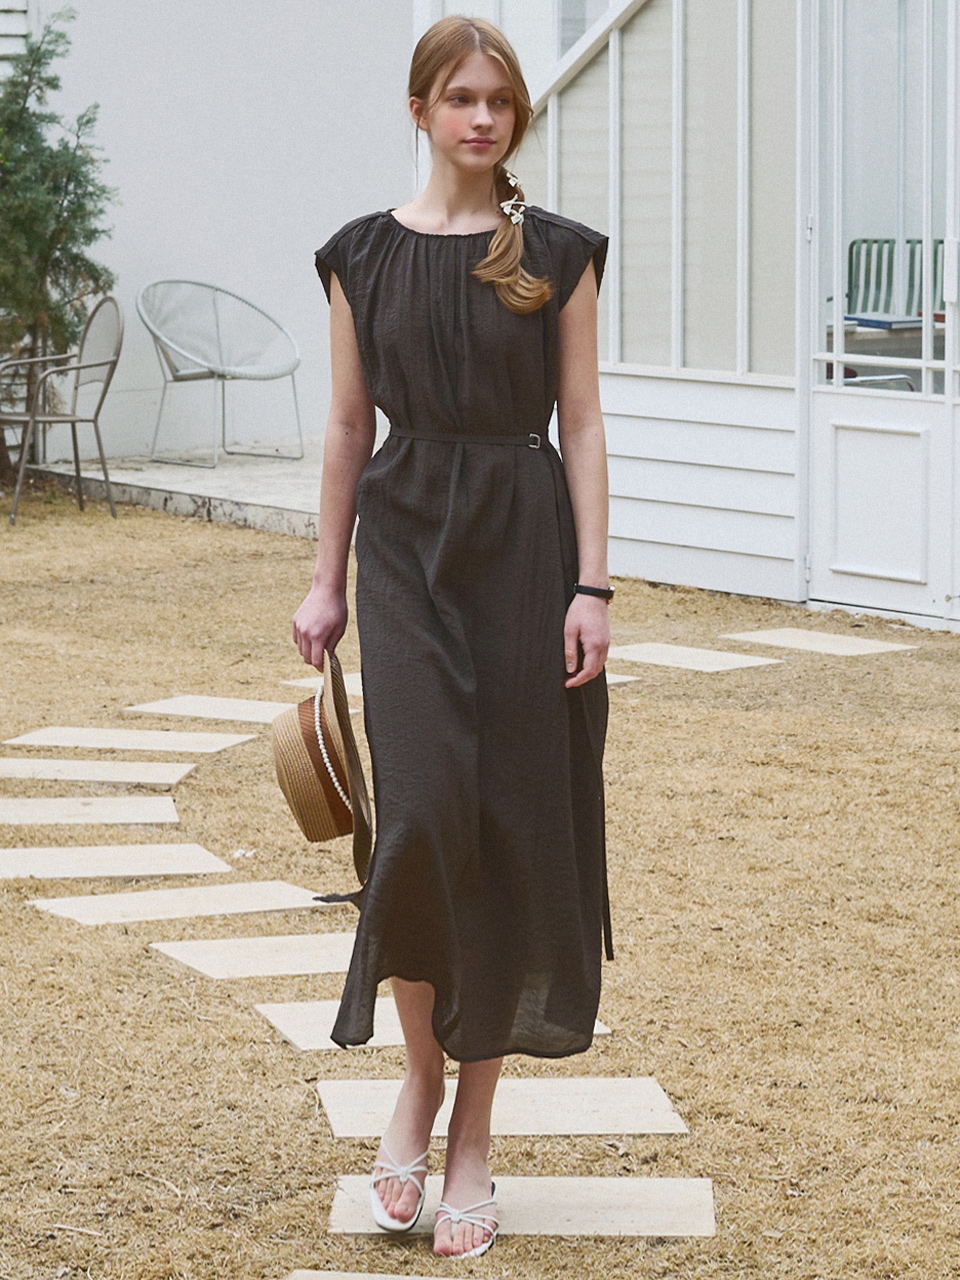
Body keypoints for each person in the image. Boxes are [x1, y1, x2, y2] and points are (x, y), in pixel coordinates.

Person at [293, 14, 612, 1260]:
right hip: (406, 548)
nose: (483, 117)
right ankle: (418, 1078)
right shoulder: (359, 255)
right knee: (422, 821)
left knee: (511, 832)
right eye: (461, 97)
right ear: (421, 110)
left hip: (525, 552)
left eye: (500, 100)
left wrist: (592, 586)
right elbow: (345, 425)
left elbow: (581, 422)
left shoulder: (559, 254)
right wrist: (324, 581)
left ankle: (472, 1131)